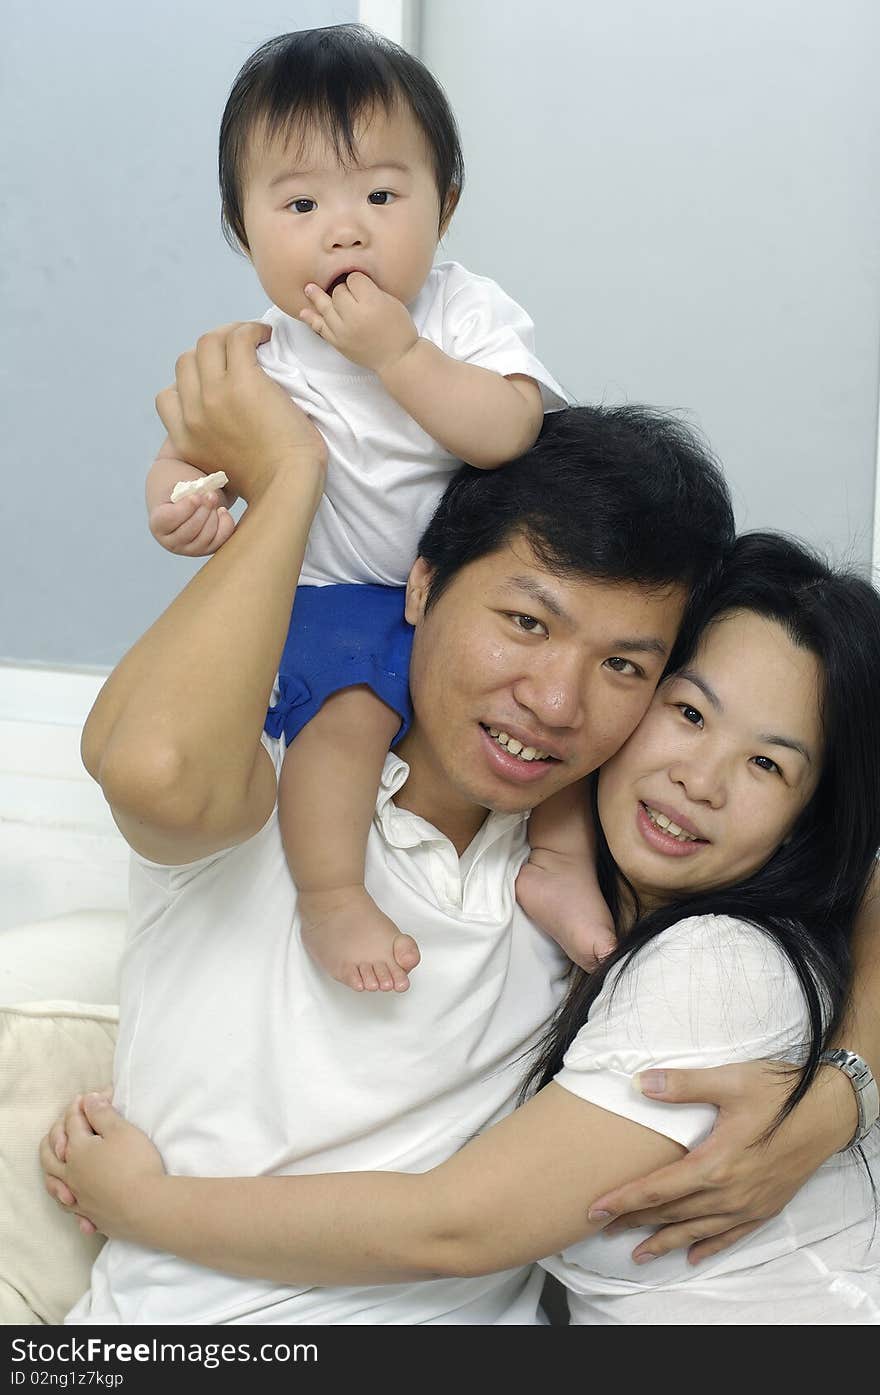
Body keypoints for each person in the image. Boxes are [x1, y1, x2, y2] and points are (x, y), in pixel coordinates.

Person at [47, 312, 750, 1323]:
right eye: (525, 622)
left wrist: (832, 1093)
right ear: (420, 584)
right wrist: (290, 476)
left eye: (622, 666)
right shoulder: (275, 786)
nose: (556, 702)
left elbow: (839, 883)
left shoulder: (609, 859)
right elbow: (150, 769)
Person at [45, 532, 880, 1324]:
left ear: (812, 813)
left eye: (768, 763)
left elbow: (455, 1228)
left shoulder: (719, 962)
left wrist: (144, 1203)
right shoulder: (571, 893)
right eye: (689, 713)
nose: (700, 779)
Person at [144, 24, 617, 993]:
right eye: (302, 202)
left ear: (443, 205)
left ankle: (562, 865)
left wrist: (399, 354)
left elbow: (510, 430)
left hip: (468, 592)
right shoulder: (260, 355)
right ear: (243, 228)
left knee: (549, 706)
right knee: (344, 723)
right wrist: (176, 506)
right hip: (340, 594)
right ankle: (330, 896)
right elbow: (189, 456)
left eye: (382, 196)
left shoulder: (462, 314)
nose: (344, 228)